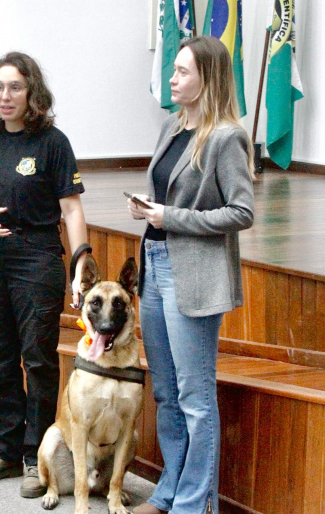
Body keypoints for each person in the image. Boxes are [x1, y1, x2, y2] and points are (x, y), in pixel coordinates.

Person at [127, 36, 255, 514]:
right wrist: (151, 212)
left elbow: (241, 212)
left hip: (193, 276)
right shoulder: (171, 127)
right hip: (156, 267)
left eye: (181, 72)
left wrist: (171, 217)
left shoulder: (226, 138)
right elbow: (169, 195)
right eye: (174, 70)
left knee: (195, 396)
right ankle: (168, 493)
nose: (172, 79)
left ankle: (195, 505)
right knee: (165, 392)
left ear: (207, 79)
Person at [0, 51, 89, 499]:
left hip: (36, 257)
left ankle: (38, 457)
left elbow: (72, 209)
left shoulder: (52, 142)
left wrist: (79, 266)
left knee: (37, 359)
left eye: (15, 87)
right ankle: (3, 451)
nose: (5, 95)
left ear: (31, 91)